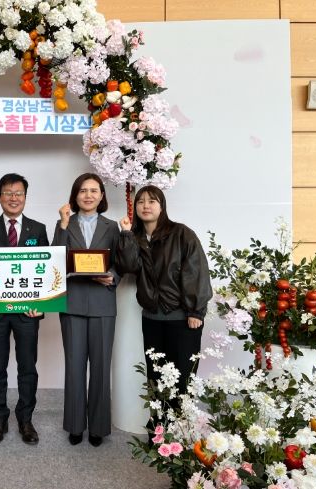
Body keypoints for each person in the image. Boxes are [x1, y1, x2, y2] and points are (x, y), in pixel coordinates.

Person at [0, 173, 49, 445]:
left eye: (19, 193)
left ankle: (26, 419)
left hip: (27, 313)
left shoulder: (38, 229)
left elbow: (46, 269)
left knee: (28, 367)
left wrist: (41, 306)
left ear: (25, 197)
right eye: (8, 193)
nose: (14, 198)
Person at [117, 185, 212, 404]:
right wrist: (126, 235)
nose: (145, 206)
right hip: (151, 318)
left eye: (152, 201)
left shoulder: (181, 233)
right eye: (140, 202)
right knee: (156, 378)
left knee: (183, 380)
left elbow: (196, 271)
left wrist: (195, 311)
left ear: (162, 206)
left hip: (183, 319)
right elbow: (128, 266)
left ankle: (180, 425)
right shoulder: (136, 237)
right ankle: (158, 426)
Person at [52, 173, 120, 447]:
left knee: (101, 369)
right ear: (75, 195)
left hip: (103, 303)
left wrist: (112, 276)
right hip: (73, 303)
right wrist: (63, 224)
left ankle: (98, 427)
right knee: (74, 367)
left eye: (93, 190)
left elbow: (120, 262)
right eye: (83, 191)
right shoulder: (64, 224)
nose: (88, 195)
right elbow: (56, 259)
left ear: (102, 195)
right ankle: (75, 425)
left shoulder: (112, 227)